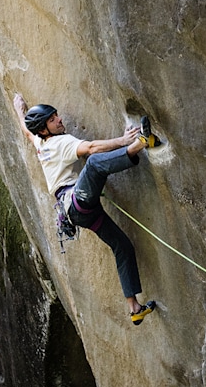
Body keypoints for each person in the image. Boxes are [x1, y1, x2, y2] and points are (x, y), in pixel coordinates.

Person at [13, 93, 157, 325]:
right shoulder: (59, 142)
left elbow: (27, 132)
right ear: (44, 129)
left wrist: (20, 109)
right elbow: (90, 148)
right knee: (93, 164)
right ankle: (140, 143)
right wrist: (123, 141)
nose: (59, 120)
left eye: (56, 115)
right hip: (78, 201)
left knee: (122, 246)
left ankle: (134, 308)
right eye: (52, 119)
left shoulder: (41, 142)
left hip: (79, 212)